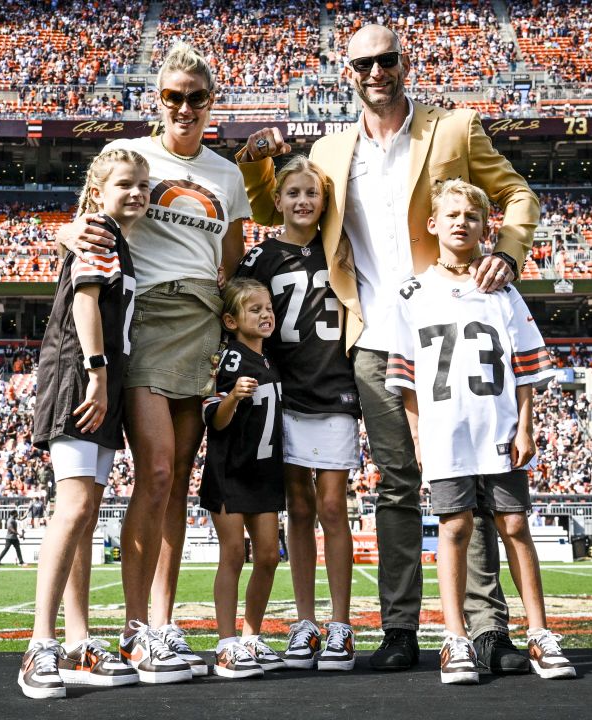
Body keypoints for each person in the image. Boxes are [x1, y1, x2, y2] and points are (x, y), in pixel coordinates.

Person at [239, 24, 541, 674]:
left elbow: (517, 194)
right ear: (347, 72)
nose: (376, 71)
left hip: (450, 331)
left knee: (470, 478)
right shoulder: (330, 148)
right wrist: (254, 163)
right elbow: (279, 208)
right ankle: (400, 628)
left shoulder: (454, 129)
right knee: (399, 486)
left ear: (404, 64)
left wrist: (508, 256)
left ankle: (490, 632)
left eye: (387, 60)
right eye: (364, 63)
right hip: (373, 338)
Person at [56, 42, 252, 675]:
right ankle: (135, 627)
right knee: (158, 473)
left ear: (210, 101)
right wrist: (65, 230)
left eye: (196, 97)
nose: (185, 108)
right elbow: (89, 215)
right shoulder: (137, 156)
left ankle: (161, 625)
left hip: (201, 322)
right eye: (173, 97)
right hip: (147, 318)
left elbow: (230, 255)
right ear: (158, 100)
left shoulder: (227, 174)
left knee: (177, 486)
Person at [385, 180, 574, 683]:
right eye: (451, 215)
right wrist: (419, 437)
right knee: (454, 528)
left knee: (514, 526)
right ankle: (455, 638)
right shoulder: (412, 292)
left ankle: (539, 632)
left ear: (486, 226)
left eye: (472, 215)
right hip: (447, 430)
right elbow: (404, 378)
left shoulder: (502, 290)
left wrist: (527, 425)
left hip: (499, 426)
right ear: (433, 225)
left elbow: (528, 366)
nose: (461, 222)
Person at [19, 148, 151, 699]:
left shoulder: (113, 235)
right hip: (81, 376)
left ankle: (75, 639)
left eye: (143, 185)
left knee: (86, 511)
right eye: (125, 184)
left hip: (101, 380)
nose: (137, 193)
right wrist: (96, 373)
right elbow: (85, 302)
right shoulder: (96, 231)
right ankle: (39, 645)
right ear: (98, 192)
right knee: (72, 507)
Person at [234, 156, 359, 671]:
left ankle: (341, 624)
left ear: (324, 201)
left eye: (312, 193)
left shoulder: (341, 247)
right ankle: (306, 621)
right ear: (278, 201)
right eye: (293, 193)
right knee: (299, 509)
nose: (303, 201)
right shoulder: (260, 257)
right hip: (283, 392)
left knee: (332, 506)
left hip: (334, 389)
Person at [200, 278, 287, 679]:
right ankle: (226, 643)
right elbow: (214, 421)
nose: (266, 314)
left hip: (264, 471)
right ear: (231, 321)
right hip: (230, 469)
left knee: (268, 555)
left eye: (268, 308)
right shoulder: (229, 359)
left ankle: (251, 637)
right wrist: (232, 397)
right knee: (233, 552)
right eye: (255, 310)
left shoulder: (269, 359)